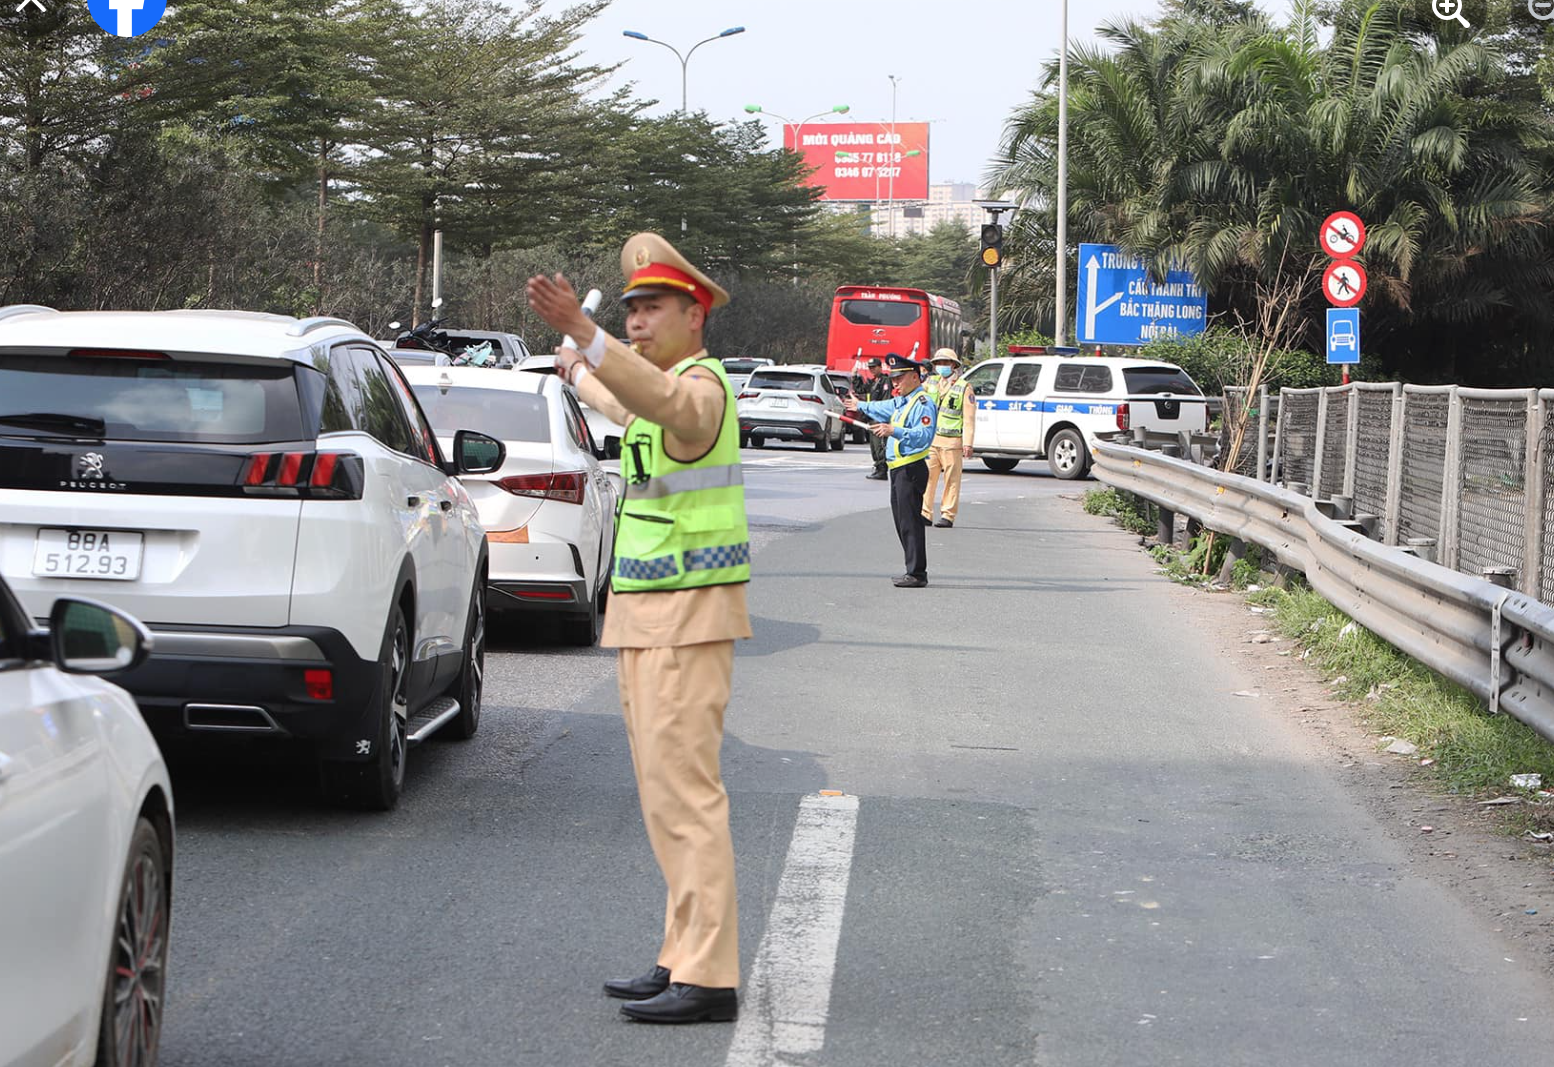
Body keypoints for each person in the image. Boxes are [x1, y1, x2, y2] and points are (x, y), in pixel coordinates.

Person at [526, 233, 750, 1025]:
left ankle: (709, 974)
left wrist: (586, 336)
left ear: (696, 316)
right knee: (664, 800)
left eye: (653, 308)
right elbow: (633, 407)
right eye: (630, 311)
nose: (638, 321)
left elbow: (665, 406)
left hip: (687, 617)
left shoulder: (702, 389)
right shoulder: (665, 393)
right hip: (652, 615)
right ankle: (682, 954)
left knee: (686, 797)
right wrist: (579, 373)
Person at [843, 353, 937, 587]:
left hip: (910, 468)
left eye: (899, 378)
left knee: (910, 523)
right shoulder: (902, 401)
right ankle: (912, 569)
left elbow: (924, 436)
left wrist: (894, 431)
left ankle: (917, 573)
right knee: (902, 522)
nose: (895, 383)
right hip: (898, 469)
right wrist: (860, 405)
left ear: (914, 377)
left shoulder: (922, 403)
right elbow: (883, 407)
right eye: (893, 378)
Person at [920, 348, 976, 528]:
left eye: (945, 363)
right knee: (927, 478)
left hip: (952, 442)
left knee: (951, 480)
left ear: (953, 365)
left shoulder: (964, 387)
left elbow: (969, 418)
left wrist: (968, 443)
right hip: (932, 440)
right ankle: (925, 513)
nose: (941, 366)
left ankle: (948, 515)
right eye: (938, 363)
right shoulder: (931, 382)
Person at [851, 357, 892, 479]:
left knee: (879, 445)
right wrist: (855, 377)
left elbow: (885, 400)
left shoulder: (885, 381)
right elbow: (860, 389)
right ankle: (878, 467)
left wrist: (882, 416)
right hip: (871, 417)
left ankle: (882, 469)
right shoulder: (874, 382)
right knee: (874, 446)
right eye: (870, 368)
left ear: (880, 367)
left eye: (874, 367)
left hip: (879, 417)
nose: (872, 370)